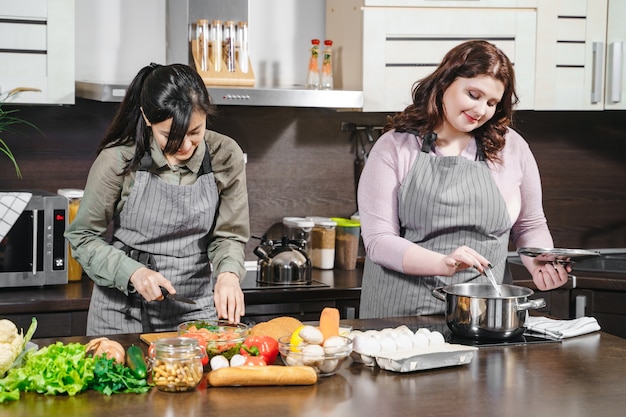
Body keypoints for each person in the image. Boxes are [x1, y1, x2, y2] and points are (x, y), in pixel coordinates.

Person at [357, 40, 570, 318]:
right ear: (445, 83)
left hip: (486, 316)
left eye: (492, 102)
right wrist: (443, 263)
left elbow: (529, 225)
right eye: (473, 94)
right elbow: (379, 241)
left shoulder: (511, 147)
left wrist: (538, 261)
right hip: (402, 314)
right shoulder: (395, 147)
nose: (481, 110)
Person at [65, 63, 250, 335]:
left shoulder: (225, 155)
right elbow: (82, 237)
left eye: (195, 132)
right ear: (147, 118)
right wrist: (133, 273)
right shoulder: (118, 161)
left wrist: (228, 275)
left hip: (193, 309)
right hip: (120, 310)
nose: (185, 146)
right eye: (170, 136)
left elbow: (229, 236)